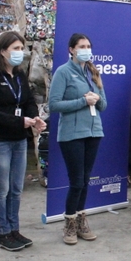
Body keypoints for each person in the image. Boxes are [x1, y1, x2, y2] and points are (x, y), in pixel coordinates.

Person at [0, 31, 46, 251]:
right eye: (15, 48)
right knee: (1, 189)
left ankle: (14, 229)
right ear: (2, 51)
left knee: (16, 188)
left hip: (18, 140)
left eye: (21, 48)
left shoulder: (19, 76)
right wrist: (19, 122)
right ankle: (3, 232)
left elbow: (28, 101)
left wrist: (34, 118)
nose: (20, 53)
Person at [49, 33, 106, 245]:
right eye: (82, 46)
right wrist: (82, 101)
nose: (86, 49)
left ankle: (82, 219)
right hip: (71, 135)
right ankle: (70, 223)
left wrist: (97, 98)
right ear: (72, 49)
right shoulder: (63, 73)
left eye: (89, 46)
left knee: (85, 179)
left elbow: (104, 105)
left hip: (94, 132)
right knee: (76, 181)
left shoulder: (93, 72)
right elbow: (54, 105)